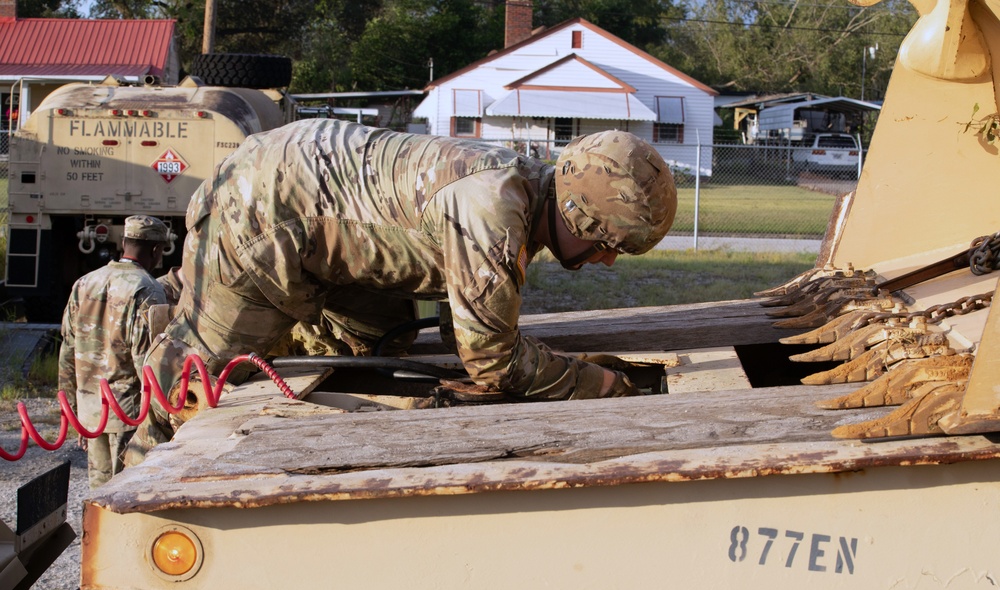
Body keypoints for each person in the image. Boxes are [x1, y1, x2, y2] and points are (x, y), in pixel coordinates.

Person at [143, 120, 677, 431]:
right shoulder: (493, 212)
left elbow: (467, 320)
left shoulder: (526, 190)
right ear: (577, 215)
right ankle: (136, 497)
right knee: (194, 386)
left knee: (370, 355)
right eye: (608, 245)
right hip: (258, 211)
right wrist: (600, 386)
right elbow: (491, 359)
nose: (606, 261)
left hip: (320, 218)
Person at [58, 215, 170, 489]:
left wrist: (72, 412)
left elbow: (67, 352)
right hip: (130, 415)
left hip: (90, 411)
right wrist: (161, 422)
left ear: (123, 243)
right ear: (156, 250)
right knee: (130, 492)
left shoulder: (84, 284)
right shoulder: (147, 290)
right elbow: (150, 364)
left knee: (99, 492)